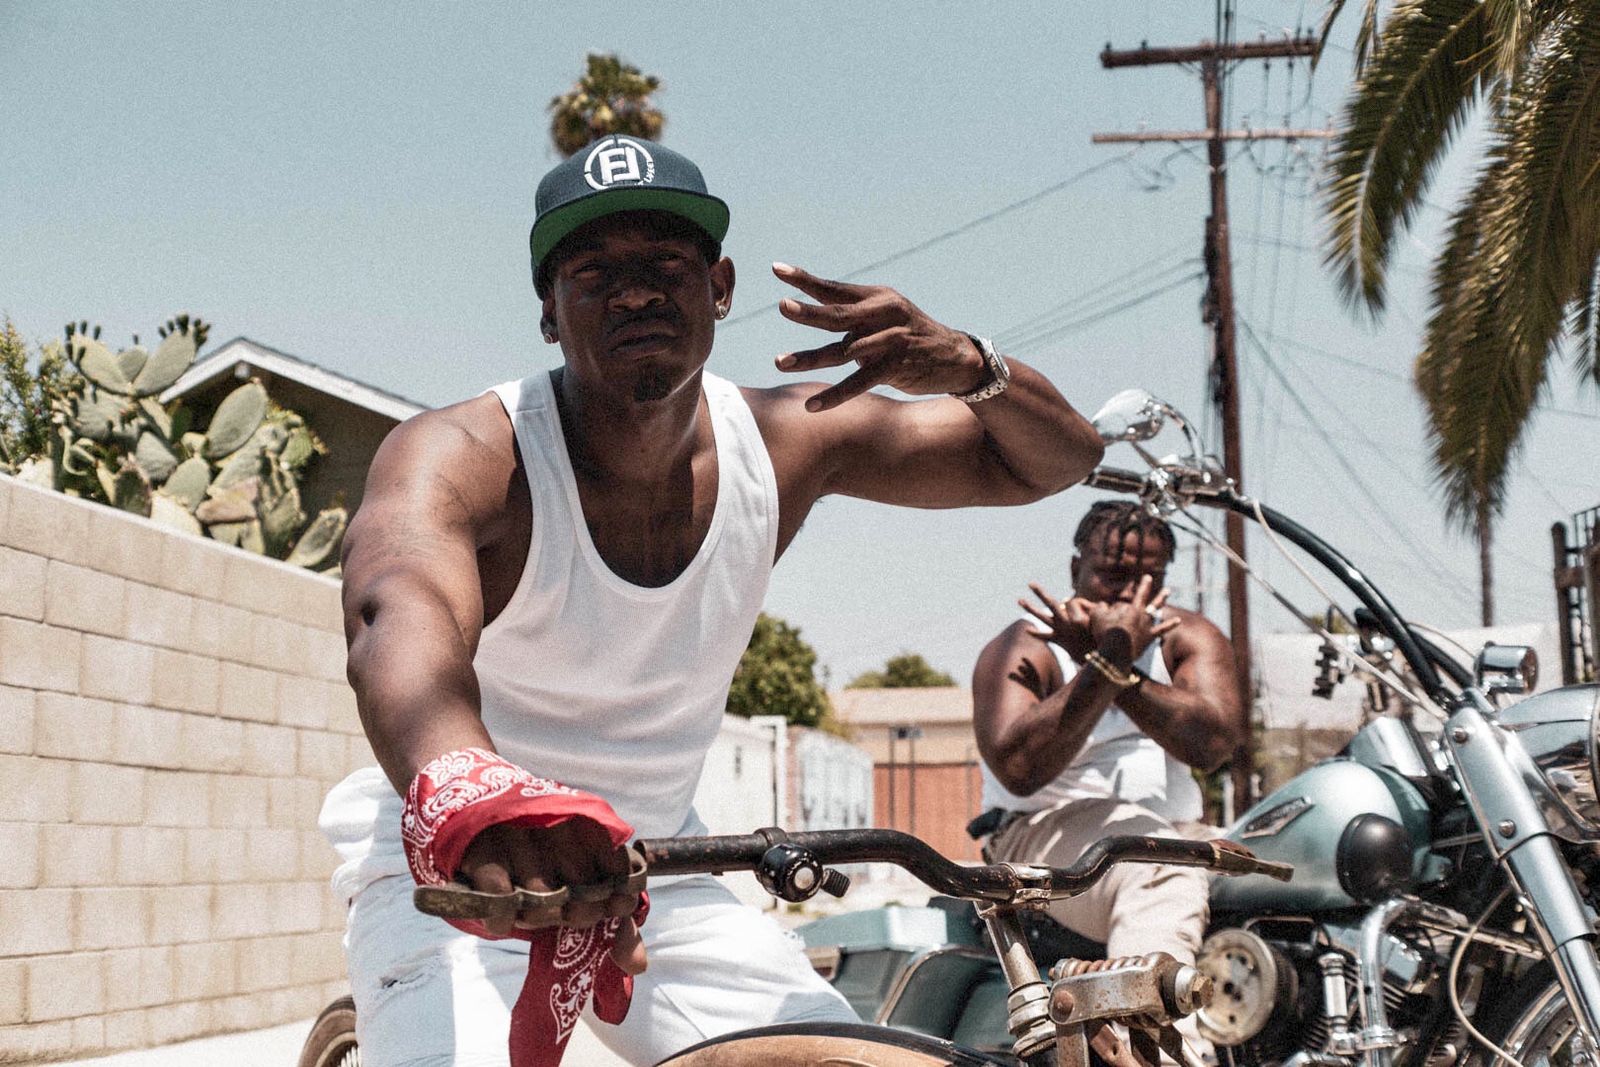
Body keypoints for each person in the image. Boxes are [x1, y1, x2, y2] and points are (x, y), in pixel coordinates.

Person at [318, 133, 1107, 1067]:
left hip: (666, 873)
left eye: (666, 263)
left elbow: (1055, 460)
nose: (636, 292)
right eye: (594, 271)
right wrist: (475, 791)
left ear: (720, 287)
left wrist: (973, 366)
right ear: (547, 312)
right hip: (468, 866)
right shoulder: (466, 454)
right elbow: (396, 616)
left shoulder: (787, 440)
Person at [970, 500, 1246, 973]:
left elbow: (1213, 746)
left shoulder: (1184, 636)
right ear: (1075, 569)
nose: (1130, 595)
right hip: (1036, 835)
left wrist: (1114, 664)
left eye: (1149, 578)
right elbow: (1019, 770)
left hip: (1175, 830)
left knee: (1295, 877)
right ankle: (1141, 1021)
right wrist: (1102, 665)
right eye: (1112, 575)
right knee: (1155, 866)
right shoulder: (1027, 645)